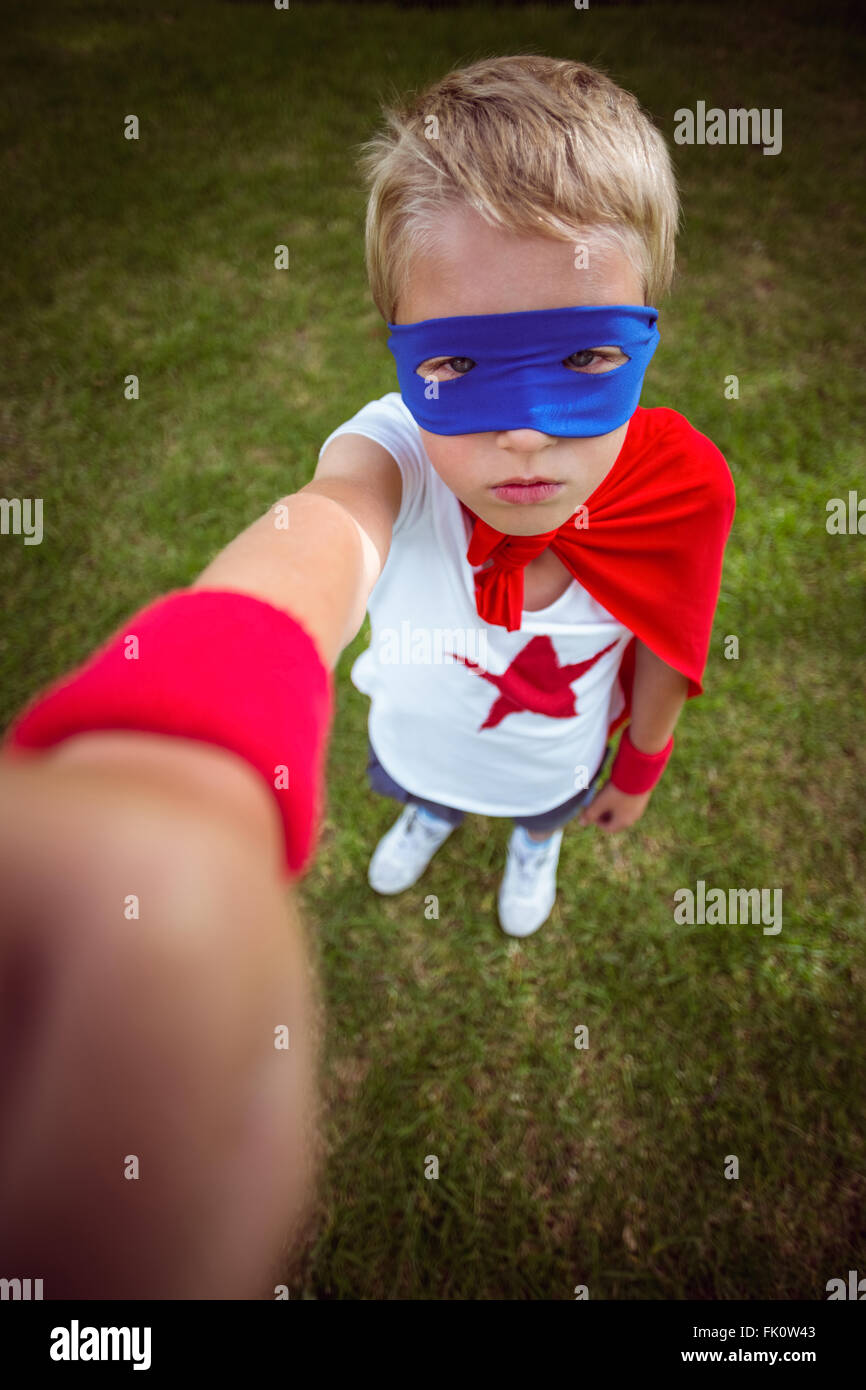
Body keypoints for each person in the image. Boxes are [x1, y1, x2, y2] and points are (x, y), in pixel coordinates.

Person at [0, 54, 734, 1298]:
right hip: (422, 734)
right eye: (454, 368)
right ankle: (439, 813)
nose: (524, 433)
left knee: (539, 804)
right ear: (394, 350)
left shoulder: (680, 488)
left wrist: (640, 767)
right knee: (426, 787)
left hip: (558, 753)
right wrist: (185, 760)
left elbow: (672, 637)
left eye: (581, 363)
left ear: (649, 324)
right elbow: (319, 536)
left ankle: (531, 842)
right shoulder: (387, 457)